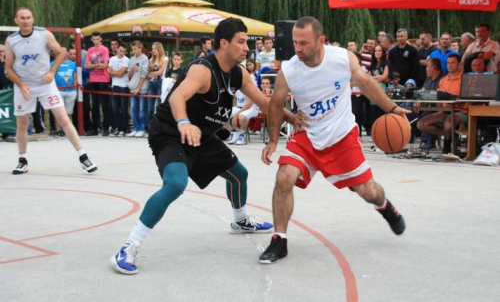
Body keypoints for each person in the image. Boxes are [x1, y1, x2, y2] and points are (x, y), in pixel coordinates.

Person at [110, 18, 300, 275]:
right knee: (176, 184)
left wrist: (295, 120)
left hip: (202, 135)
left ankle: (240, 220)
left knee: (238, 174)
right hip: (171, 132)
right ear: (224, 43)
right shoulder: (202, 70)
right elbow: (177, 96)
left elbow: (267, 104)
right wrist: (184, 122)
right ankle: (129, 245)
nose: (247, 48)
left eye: (248, 43)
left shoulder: (238, 73)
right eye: (241, 42)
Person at [259, 17, 409, 264]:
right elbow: (276, 103)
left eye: (304, 43)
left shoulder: (341, 58)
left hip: (341, 135)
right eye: (295, 42)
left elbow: (367, 84)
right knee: (284, 177)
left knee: (368, 191)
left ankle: (385, 206)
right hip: (308, 134)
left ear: (321, 41)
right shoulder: (290, 68)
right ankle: (279, 240)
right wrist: (273, 141)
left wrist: (392, 109)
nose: (298, 48)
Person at [4, 8, 97, 174]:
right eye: (22, 18)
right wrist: (21, 85)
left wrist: (52, 71)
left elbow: (62, 52)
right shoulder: (11, 41)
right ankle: (22, 160)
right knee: (22, 123)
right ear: (16, 20)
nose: (25, 21)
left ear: (33, 19)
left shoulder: (43, 34)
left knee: (63, 118)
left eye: (28, 18)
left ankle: (83, 157)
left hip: (46, 84)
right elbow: (8, 68)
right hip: (24, 86)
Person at [417, 54, 467, 154]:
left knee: (448, 124)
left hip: (461, 111)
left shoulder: (465, 78)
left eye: (453, 63)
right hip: (444, 111)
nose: (450, 65)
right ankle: (452, 135)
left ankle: (447, 146)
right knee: (421, 124)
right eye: (448, 63)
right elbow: (439, 98)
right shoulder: (443, 80)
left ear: (459, 64)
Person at [84, 32, 111, 136]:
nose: (96, 41)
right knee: (94, 105)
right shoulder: (90, 50)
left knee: (105, 105)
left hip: (103, 79)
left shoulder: (104, 49)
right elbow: (86, 65)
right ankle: (94, 128)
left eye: (97, 39)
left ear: (101, 39)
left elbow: (104, 65)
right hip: (93, 79)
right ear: (92, 39)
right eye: (94, 39)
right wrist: (96, 65)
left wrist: (93, 65)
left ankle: (106, 128)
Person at [51, 47, 77, 137]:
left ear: (67, 53)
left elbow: (75, 77)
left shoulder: (73, 64)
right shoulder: (53, 63)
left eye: (64, 51)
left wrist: (76, 88)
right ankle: (58, 130)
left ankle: (66, 129)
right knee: (58, 111)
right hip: (58, 90)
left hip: (71, 90)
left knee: (68, 112)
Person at [127, 40, 149, 138]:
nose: (134, 51)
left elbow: (144, 74)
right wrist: (132, 70)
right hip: (133, 87)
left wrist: (138, 87)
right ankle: (136, 128)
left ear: (140, 48)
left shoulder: (144, 59)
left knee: (142, 109)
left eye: (135, 49)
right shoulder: (131, 59)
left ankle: (142, 128)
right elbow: (129, 75)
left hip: (142, 88)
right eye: (133, 49)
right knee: (133, 109)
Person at [108, 43, 130, 136]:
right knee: (115, 109)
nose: (122, 53)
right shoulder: (112, 59)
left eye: (124, 51)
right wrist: (115, 72)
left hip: (124, 86)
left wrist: (114, 72)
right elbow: (108, 72)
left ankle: (123, 129)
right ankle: (116, 127)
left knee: (124, 109)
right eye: (120, 51)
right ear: (117, 49)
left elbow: (121, 74)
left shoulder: (127, 60)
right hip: (114, 86)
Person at [147, 42, 168, 124]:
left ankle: (160, 126)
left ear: (159, 49)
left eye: (155, 49)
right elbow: (147, 74)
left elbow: (160, 72)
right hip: (151, 84)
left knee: (160, 106)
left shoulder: (165, 59)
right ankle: (150, 127)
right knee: (150, 108)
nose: (153, 51)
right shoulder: (151, 59)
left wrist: (151, 74)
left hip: (160, 83)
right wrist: (150, 74)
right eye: (152, 49)